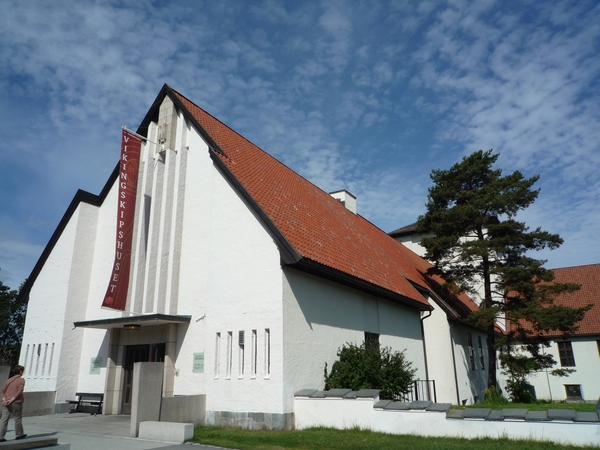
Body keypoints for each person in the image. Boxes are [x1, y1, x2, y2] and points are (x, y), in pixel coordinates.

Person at [0, 365, 27, 441]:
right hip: (16, 402)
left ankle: (1, 436)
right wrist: (12, 399)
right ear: (21, 372)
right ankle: (19, 434)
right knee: (17, 418)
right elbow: (19, 391)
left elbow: (2, 391)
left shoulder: (8, 380)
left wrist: (4, 399)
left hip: (5, 402)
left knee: (4, 419)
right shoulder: (21, 380)